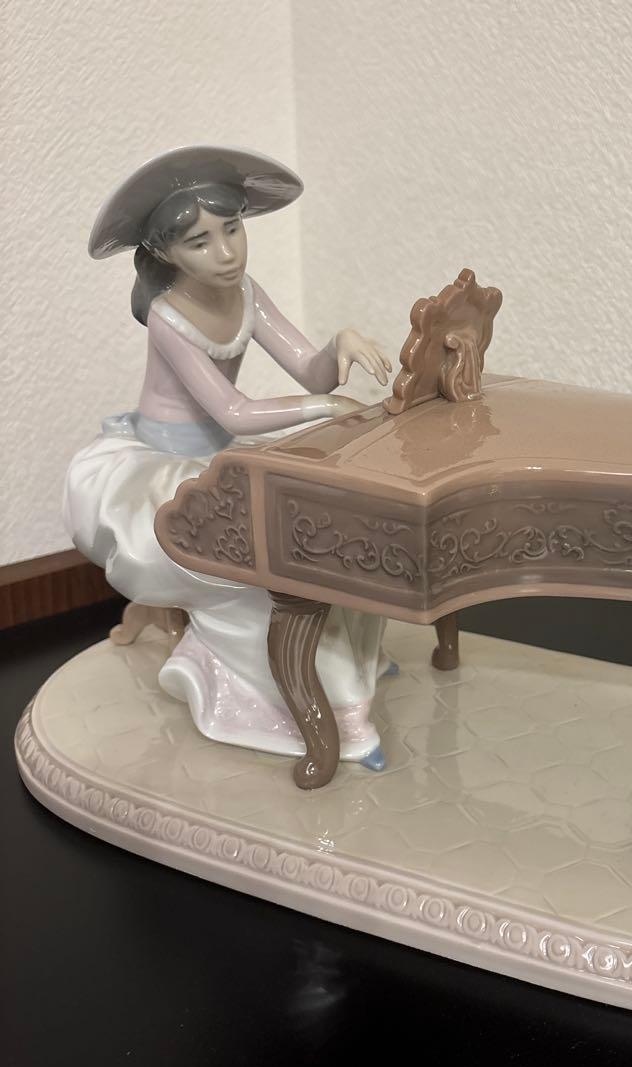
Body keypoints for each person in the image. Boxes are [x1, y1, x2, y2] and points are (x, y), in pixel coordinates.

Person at [66, 145, 393, 769]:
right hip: (167, 468)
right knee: (256, 578)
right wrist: (323, 409)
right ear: (165, 253)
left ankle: (357, 664)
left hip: (223, 454)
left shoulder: (248, 292)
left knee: (331, 531)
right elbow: (235, 412)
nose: (226, 253)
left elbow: (310, 370)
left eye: (233, 229)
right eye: (200, 242)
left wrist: (338, 346)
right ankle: (313, 703)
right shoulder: (169, 317)